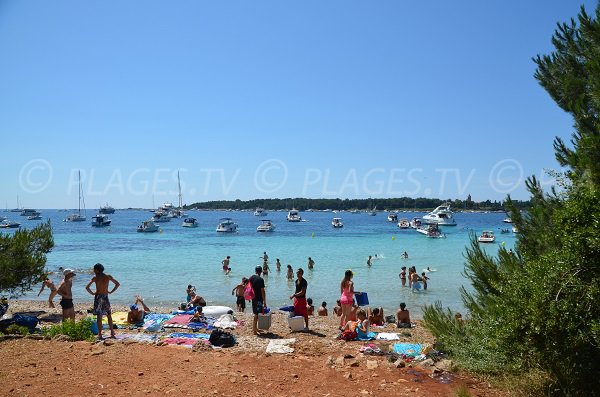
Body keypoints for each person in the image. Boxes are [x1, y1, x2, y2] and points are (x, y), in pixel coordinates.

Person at [85, 263, 120, 340]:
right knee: (108, 315)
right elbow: (117, 284)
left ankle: (100, 334)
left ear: (97, 270)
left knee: (99, 316)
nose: (93, 271)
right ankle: (112, 332)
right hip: (105, 296)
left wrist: (92, 293)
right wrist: (111, 292)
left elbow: (87, 287)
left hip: (98, 297)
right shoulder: (108, 277)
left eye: (94, 269)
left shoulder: (95, 278)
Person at [249, 265, 266, 335]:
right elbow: (263, 291)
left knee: (257, 313)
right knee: (256, 314)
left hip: (253, 298)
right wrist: (265, 301)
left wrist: (249, 297)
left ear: (255, 271)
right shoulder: (261, 280)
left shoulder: (251, 277)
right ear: (261, 271)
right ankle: (254, 330)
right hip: (259, 299)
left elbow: (249, 287)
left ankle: (256, 328)